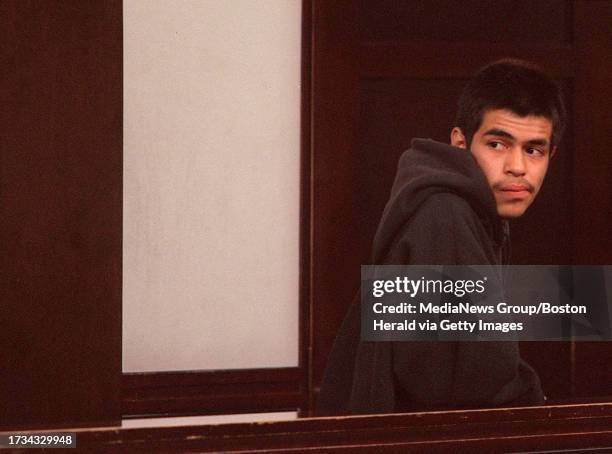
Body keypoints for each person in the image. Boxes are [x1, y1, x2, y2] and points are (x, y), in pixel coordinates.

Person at [316, 59, 566, 416]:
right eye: (497, 144)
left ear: (549, 155)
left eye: (533, 150)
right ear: (460, 144)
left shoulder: (470, 210)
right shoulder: (445, 212)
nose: (517, 166)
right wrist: (533, 396)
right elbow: (464, 380)